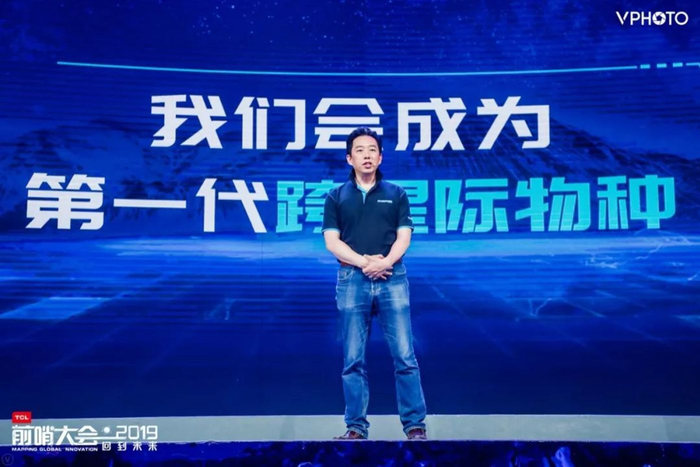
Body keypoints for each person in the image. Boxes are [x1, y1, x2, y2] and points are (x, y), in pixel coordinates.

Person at [322, 127, 427, 440]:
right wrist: (366, 263)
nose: (366, 156)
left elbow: (404, 236)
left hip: (392, 278)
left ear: (380, 157)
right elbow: (332, 242)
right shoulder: (336, 196)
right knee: (352, 359)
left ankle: (415, 427)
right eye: (360, 150)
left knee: (405, 356)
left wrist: (385, 262)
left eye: (372, 150)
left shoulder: (396, 193)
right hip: (352, 279)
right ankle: (355, 428)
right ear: (349, 158)